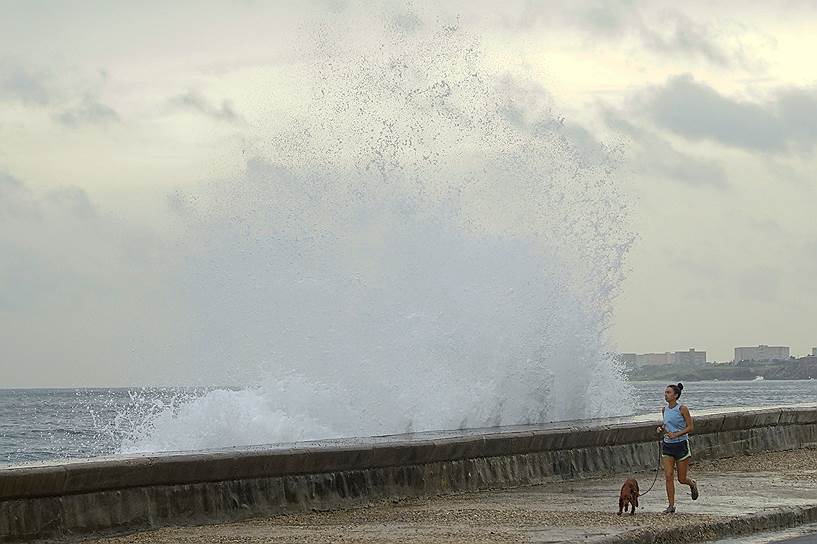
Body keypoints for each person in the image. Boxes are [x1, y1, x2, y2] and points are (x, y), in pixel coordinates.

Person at [656, 382, 699, 514]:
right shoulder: (665, 409)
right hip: (667, 445)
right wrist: (661, 429)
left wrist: (676, 434)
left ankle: (692, 484)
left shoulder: (682, 409)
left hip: (681, 445)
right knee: (668, 476)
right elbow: (666, 425)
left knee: (681, 479)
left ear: (675, 395)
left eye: (668, 393)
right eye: (665, 392)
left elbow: (690, 427)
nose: (666, 395)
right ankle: (671, 506)